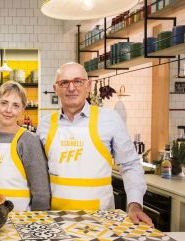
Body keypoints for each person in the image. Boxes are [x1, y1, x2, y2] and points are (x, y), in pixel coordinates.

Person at [36, 62, 153, 226]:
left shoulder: (110, 119)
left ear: (88, 85)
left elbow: (130, 165)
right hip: (55, 221)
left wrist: (134, 204)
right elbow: (37, 173)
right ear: (56, 88)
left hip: (102, 221)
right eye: (64, 82)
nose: (71, 88)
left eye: (77, 81)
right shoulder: (44, 125)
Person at [0, 81, 51, 211]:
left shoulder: (28, 140)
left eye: (15, 105)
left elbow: (41, 192)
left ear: (22, 110)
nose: (8, 110)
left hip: (17, 219)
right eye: (4, 103)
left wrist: (36, 222)